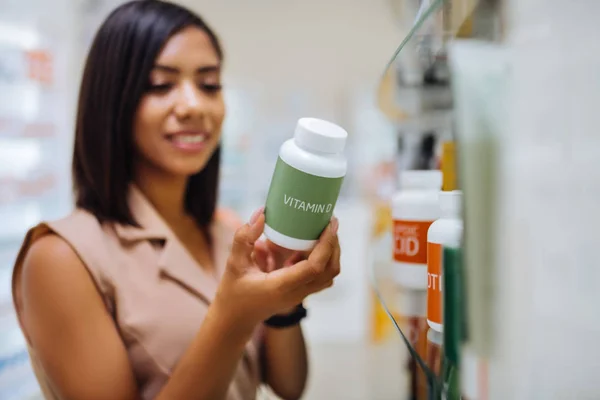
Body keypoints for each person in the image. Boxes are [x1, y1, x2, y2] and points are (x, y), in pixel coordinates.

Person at [10, 1, 341, 399]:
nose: (193, 106)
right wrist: (233, 319)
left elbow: (289, 386)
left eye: (209, 85)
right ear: (114, 100)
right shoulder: (59, 257)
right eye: (160, 85)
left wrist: (286, 304)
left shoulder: (227, 230)